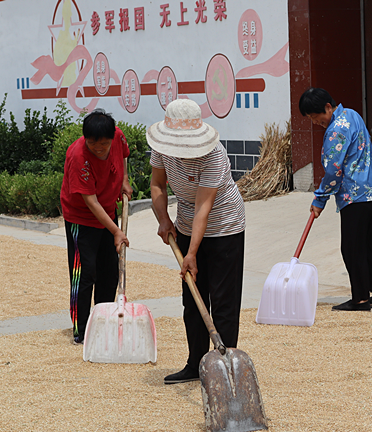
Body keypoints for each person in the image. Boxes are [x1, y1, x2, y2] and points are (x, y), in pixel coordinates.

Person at [147, 99, 246, 385]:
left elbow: (205, 206)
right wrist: (164, 219)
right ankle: (196, 363)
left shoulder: (214, 154)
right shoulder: (161, 148)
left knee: (223, 299)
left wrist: (191, 254)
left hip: (224, 224)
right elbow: (157, 184)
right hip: (187, 222)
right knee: (193, 298)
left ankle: (226, 367)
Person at [299, 87, 372, 312]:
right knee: (367, 245)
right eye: (310, 119)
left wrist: (319, 199)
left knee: (352, 248)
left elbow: (333, 172)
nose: (315, 122)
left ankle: (360, 299)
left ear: (328, 107)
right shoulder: (352, 114)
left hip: (355, 196)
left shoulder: (335, 132)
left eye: (316, 116)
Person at [60, 109, 133, 345]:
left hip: (108, 208)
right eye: (93, 144)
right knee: (85, 273)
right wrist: (116, 231)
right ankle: (81, 330)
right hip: (81, 218)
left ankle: (102, 319)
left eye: (104, 144)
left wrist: (123, 179)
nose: (99, 149)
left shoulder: (118, 136)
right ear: (85, 139)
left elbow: (123, 155)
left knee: (109, 271)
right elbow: (90, 202)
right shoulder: (78, 157)